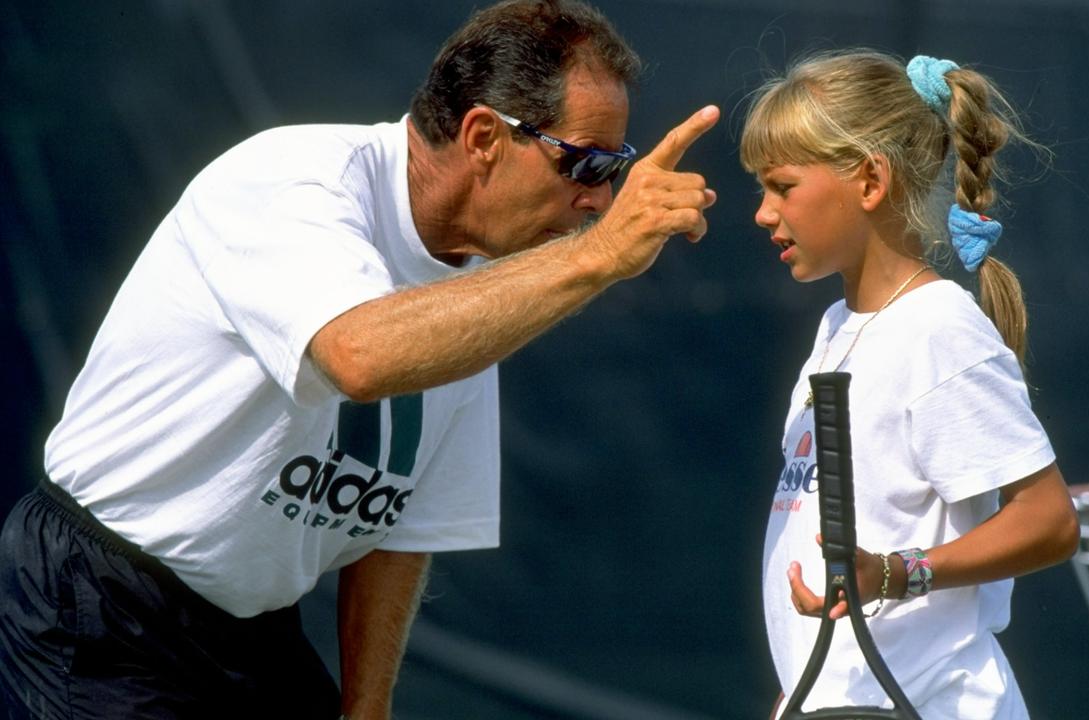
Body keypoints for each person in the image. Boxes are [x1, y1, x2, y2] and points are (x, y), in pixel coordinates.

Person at [0, 1, 720, 718]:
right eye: (588, 163)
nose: (599, 201)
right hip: (99, 598)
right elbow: (359, 354)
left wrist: (367, 711)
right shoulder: (292, 180)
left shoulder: (475, 285)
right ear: (482, 136)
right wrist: (595, 259)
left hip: (249, 628)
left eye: (616, 169)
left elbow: (399, 527)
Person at [739, 50, 1080, 719]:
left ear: (870, 180)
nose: (762, 213)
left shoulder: (937, 328)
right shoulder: (836, 330)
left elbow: (1049, 520)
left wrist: (894, 573)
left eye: (781, 186)